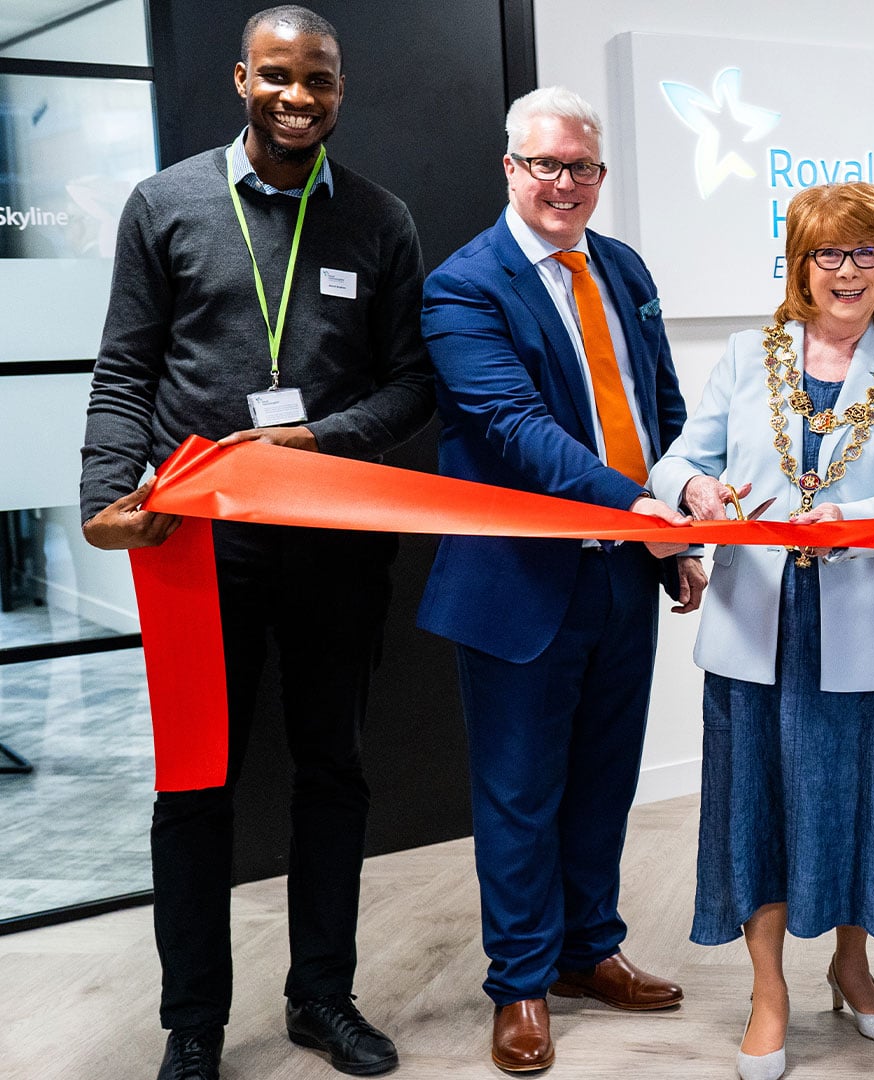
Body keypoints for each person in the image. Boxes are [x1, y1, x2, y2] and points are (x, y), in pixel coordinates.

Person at [79, 7, 433, 1078]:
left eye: (318, 80)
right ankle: (193, 1022)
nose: (298, 97)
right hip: (199, 544)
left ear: (339, 89)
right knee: (195, 781)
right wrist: (104, 489)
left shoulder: (381, 219)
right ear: (242, 78)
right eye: (277, 76)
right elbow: (124, 370)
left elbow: (413, 382)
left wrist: (317, 435)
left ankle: (321, 997)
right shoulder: (167, 203)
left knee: (334, 772)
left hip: (331, 538)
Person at [416, 86, 701, 1073]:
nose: (565, 184)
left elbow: (658, 407)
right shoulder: (465, 286)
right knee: (519, 793)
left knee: (600, 782)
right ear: (511, 168)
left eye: (581, 167)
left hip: (624, 578)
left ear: (600, 176)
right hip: (519, 586)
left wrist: (680, 524)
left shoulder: (621, 268)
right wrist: (641, 511)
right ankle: (523, 984)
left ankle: (589, 952)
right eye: (546, 165)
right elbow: (516, 430)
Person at [651, 180, 874, 1080]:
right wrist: (696, 494)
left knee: (865, 803)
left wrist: (848, 519)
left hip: (867, 622)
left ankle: (853, 967)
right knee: (762, 806)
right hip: (761, 628)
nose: (848, 271)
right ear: (800, 265)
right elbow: (679, 463)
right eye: (830, 253)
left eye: (867, 253)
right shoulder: (750, 356)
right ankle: (768, 992)